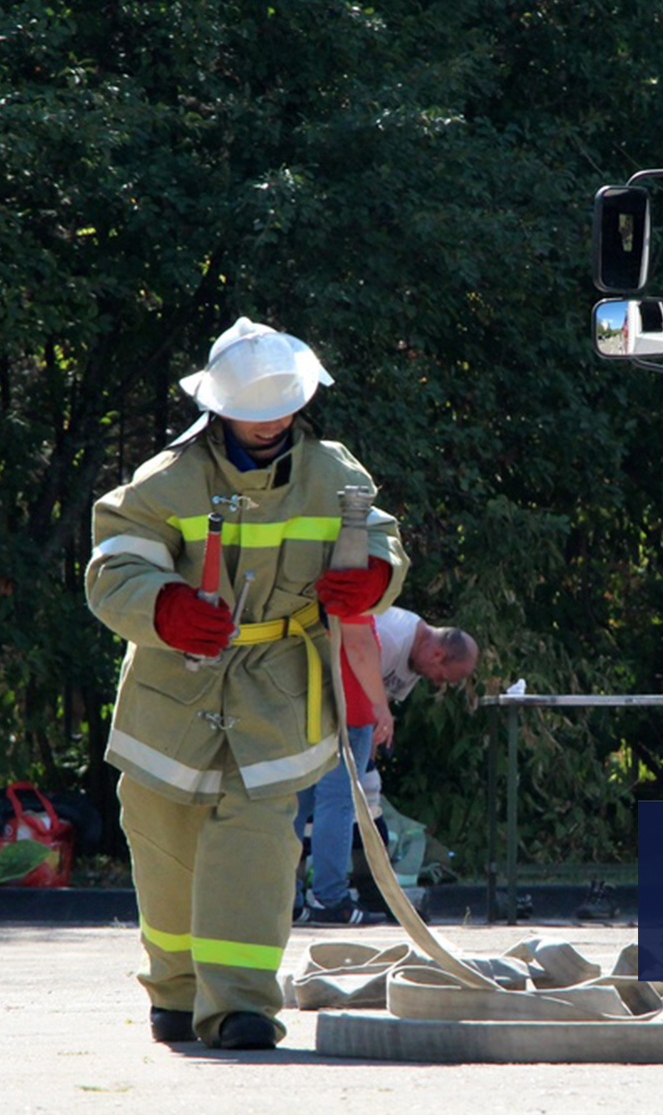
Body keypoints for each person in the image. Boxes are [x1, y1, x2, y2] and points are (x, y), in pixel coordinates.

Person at [85, 318, 406, 1050]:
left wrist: (376, 577)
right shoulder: (166, 481)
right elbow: (112, 568)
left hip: (276, 692)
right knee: (163, 839)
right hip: (174, 692)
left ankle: (240, 1005)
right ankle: (176, 992)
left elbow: (384, 542)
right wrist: (164, 606)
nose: (271, 424)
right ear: (219, 407)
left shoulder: (335, 475)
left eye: (283, 409)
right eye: (255, 411)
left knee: (257, 848)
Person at [293, 606, 479, 924]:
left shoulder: (414, 661)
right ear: (436, 654)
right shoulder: (393, 636)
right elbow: (359, 663)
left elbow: (384, 706)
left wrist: (369, 759)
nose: (439, 684)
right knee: (335, 803)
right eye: (445, 676)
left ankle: (291, 898)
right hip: (339, 708)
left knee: (309, 801)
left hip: (342, 714)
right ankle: (330, 898)